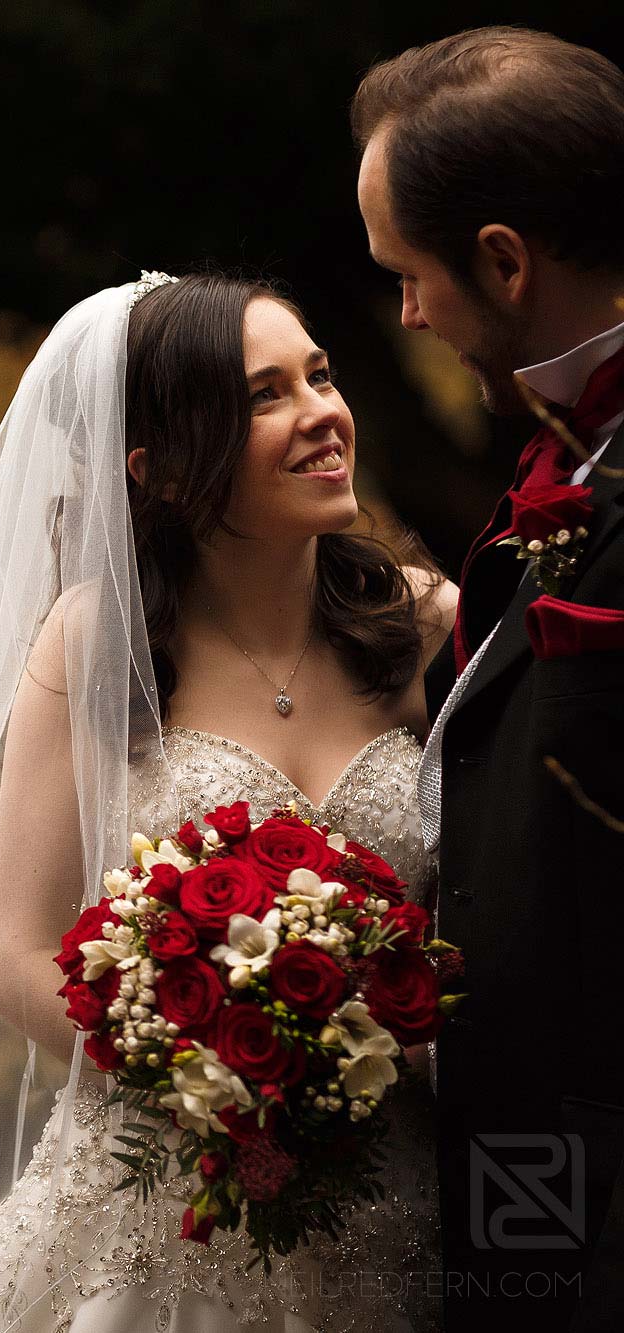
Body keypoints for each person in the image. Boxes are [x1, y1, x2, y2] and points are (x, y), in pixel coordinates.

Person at [0, 270, 456, 1333]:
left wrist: (356, 1064)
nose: (322, 413)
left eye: (317, 375)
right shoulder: (90, 648)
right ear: (159, 468)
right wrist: (214, 1069)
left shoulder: (426, 628)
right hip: (161, 1200)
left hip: (398, 1195)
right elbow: (19, 960)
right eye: (263, 396)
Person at [354, 27, 624, 1332]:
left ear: (504, 262)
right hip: (529, 1175)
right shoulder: (560, 462)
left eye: (410, 276)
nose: (408, 312)